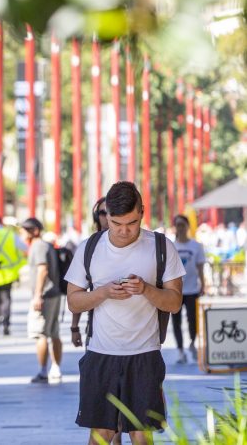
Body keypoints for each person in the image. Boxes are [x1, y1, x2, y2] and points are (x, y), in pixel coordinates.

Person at [65, 182, 184, 444]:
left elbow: (174, 303)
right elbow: (73, 302)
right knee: (101, 434)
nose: (123, 231)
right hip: (100, 354)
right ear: (106, 215)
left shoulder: (162, 247)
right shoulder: (89, 248)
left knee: (141, 434)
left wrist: (145, 289)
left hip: (145, 355)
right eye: (116, 223)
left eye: (131, 223)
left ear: (142, 212)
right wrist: (103, 293)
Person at [22, 218, 63, 384]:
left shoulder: (38, 245)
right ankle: (56, 368)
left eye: (25, 230)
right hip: (54, 293)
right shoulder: (46, 245)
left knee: (41, 333)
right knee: (54, 332)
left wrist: (37, 295)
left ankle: (43, 370)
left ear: (35, 231)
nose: (22, 233)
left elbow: (42, 269)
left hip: (45, 294)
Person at [71, 198, 109, 348]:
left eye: (111, 211)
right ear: (96, 217)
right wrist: (74, 327)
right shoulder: (88, 248)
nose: (108, 216)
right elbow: (78, 290)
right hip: (96, 329)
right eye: (103, 213)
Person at [0, 216, 28, 336]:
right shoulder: (11, 235)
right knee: (6, 300)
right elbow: (24, 248)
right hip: (9, 273)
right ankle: (6, 325)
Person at [170, 214, 205, 364]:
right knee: (176, 321)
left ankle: (192, 343)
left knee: (193, 320)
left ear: (187, 226)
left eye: (183, 225)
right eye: (178, 225)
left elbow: (200, 267)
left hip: (192, 289)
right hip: (175, 290)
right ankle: (180, 350)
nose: (180, 228)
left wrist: (203, 284)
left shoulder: (196, 246)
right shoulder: (171, 246)